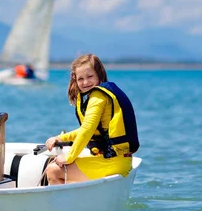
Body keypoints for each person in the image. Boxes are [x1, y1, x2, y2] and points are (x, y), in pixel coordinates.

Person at [44, 53, 139, 185]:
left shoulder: (97, 97)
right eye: (80, 79)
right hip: (118, 160)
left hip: (113, 162)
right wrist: (62, 138)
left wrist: (70, 156)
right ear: (74, 79)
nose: (86, 82)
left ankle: (61, 205)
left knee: (53, 170)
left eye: (90, 76)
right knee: (61, 166)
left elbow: (88, 128)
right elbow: (91, 128)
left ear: (99, 75)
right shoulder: (101, 95)